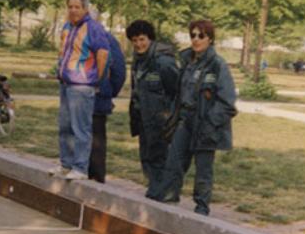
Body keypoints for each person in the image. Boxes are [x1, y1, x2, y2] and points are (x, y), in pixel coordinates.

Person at [146, 19, 236, 216]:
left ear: (210, 39)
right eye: (193, 35)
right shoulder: (187, 62)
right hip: (184, 120)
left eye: (201, 36)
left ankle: (201, 210)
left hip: (205, 123)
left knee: (203, 170)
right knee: (174, 162)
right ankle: (168, 201)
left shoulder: (218, 66)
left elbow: (227, 101)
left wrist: (210, 122)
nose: (196, 39)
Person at [53, 0, 109, 180]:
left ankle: (80, 167)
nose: (73, 10)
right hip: (66, 83)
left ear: (85, 9)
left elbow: (103, 54)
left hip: (82, 85)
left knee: (80, 128)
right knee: (65, 126)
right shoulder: (67, 26)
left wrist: (95, 79)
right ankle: (66, 164)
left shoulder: (93, 28)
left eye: (77, 7)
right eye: (70, 7)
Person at [126, 19, 180, 184]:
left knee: (160, 157)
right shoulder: (138, 61)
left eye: (142, 39)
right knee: (146, 156)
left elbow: (176, 90)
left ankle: (163, 192)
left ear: (150, 38)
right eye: (134, 41)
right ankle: (153, 187)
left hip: (160, 120)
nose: (138, 44)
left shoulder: (164, 62)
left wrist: (168, 115)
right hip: (143, 117)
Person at [87, 24, 126, 183]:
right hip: (82, 95)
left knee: (96, 138)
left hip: (97, 96)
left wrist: (107, 92)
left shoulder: (107, 40)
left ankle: (96, 176)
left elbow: (119, 73)